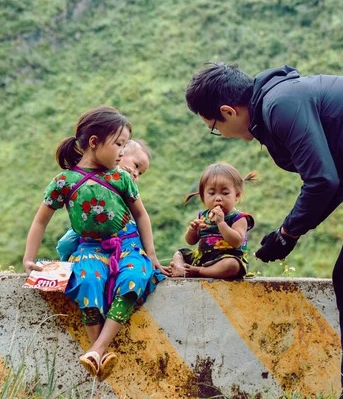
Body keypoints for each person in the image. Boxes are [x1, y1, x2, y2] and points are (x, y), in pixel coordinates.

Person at [185, 62, 343, 399]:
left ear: (228, 112)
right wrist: (290, 232)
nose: (221, 134)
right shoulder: (275, 103)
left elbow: (322, 180)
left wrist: (287, 232)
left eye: (214, 128)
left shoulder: (279, 105)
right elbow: (337, 178)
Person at [22, 106, 169, 382]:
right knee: (88, 281)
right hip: (89, 249)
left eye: (124, 145)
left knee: (135, 278)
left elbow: (141, 215)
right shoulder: (64, 181)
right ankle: (98, 352)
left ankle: (97, 349)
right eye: (119, 145)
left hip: (127, 247)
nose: (122, 153)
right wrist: (28, 259)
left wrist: (151, 254)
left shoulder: (121, 178)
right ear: (94, 142)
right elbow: (40, 221)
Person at [55, 138, 152, 261]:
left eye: (140, 173)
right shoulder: (92, 173)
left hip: (118, 229)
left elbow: (139, 213)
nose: (136, 174)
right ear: (120, 153)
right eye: (136, 165)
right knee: (64, 244)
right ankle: (67, 263)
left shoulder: (126, 182)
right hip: (87, 229)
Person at [170, 162, 256, 279]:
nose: (218, 198)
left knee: (232, 265)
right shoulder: (203, 216)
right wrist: (193, 230)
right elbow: (191, 241)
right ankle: (181, 269)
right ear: (203, 197)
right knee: (179, 254)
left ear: (236, 196)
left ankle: (199, 271)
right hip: (202, 257)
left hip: (226, 258)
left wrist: (221, 223)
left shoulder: (239, 218)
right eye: (211, 193)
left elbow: (236, 241)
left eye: (225, 193)